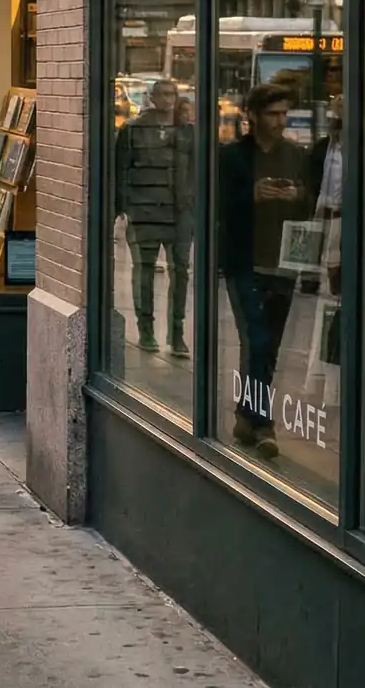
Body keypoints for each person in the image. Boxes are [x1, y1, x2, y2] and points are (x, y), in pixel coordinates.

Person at [216, 84, 311, 459]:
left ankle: (247, 413)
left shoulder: (295, 155)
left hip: (283, 262)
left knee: (268, 345)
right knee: (255, 339)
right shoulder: (234, 157)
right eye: (273, 113)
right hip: (245, 261)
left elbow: (311, 201)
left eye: (284, 113)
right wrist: (252, 195)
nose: (280, 121)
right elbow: (218, 204)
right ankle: (263, 422)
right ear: (252, 115)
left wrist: (296, 196)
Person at [113, 77, 194, 355]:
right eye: (163, 94)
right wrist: (122, 208)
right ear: (152, 98)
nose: (169, 100)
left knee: (180, 271)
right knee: (144, 270)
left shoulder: (186, 132)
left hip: (179, 211)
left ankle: (177, 332)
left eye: (173, 94)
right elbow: (120, 170)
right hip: (144, 209)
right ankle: (146, 329)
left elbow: (197, 170)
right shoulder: (133, 131)